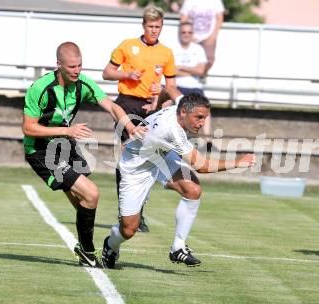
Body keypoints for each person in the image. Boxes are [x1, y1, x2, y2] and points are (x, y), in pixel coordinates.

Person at [22, 41, 145, 268]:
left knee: (84, 201)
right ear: (58, 65)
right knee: (91, 194)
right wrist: (68, 130)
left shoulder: (83, 84)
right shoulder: (40, 88)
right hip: (41, 150)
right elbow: (28, 128)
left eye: (80, 65)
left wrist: (130, 126)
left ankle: (86, 247)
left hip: (64, 146)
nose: (77, 71)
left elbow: (112, 106)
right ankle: (88, 251)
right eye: (71, 67)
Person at [101, 93, 256, 268]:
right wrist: (238, 162)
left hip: (161, 155)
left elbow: (167, 89)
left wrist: (156, 105)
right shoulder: (171, 130)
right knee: (129, 229)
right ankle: (110, 245)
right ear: (183, 112)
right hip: (137, 168)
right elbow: (201, 165)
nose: (202, 123)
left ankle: (178, 247)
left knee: (193, 190)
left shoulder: (180, 106)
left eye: (205, 118)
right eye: (199, 117)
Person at [102, 5, 183, 233]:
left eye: (157, 27)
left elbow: (173, 87)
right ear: (143, 25)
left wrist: (164, 90)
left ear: (162, 27)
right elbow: (107, 72)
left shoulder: (166, 53)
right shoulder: (128, 46)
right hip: (126, 104)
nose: (154, 30)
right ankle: (125, 211)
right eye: (150, 26)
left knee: (148, 158)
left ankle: (138, 212)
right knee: (128, 154)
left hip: (151, 108)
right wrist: (126, 74)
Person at [173, 21, 213, 151]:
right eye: (184, 32)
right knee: (174, 110)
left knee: (205, 109)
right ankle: (175, 139)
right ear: (179, 33)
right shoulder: (172, 49)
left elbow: (201, 71)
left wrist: (182, 67)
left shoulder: (198, 49)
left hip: (195, 87)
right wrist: (192, 69)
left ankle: (207, 140)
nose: (186, 35)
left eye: (189, 32)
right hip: (177, 86)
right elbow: (171, 71)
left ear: (192, 34)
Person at [180, 0, 224, 75]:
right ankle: (190, 78)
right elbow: (183, 18)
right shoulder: (188, 2)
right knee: (190, 60)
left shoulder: (216, 1)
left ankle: (201, 75)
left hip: (209, 37)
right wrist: (189, 35)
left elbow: (220, 18)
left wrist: (213, 36)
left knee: (209, 60)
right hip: (192, 37)